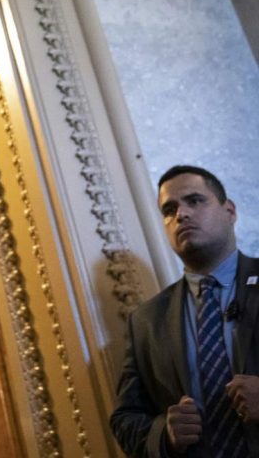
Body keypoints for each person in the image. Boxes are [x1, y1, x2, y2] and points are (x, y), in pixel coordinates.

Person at [111, 165, 259, 457]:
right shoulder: (145, 322)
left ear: (229, 211)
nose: (181, 214)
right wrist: (163, 435)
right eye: (169, 210)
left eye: (194, 201)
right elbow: (125, 418)